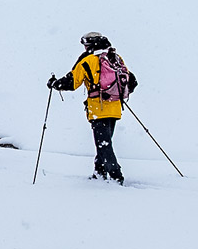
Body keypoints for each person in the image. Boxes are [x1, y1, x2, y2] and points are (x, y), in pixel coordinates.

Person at [47, 32, 137, 183]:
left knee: (104, 144)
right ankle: (99, 173)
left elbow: (72, 82)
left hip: (98, 108)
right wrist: (113, 93)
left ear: (90, 44)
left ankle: (116, 176)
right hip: (115, 108)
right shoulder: (115, 58)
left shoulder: (88, 60)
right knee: (104, 143)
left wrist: (54, 84)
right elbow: (131, 81)